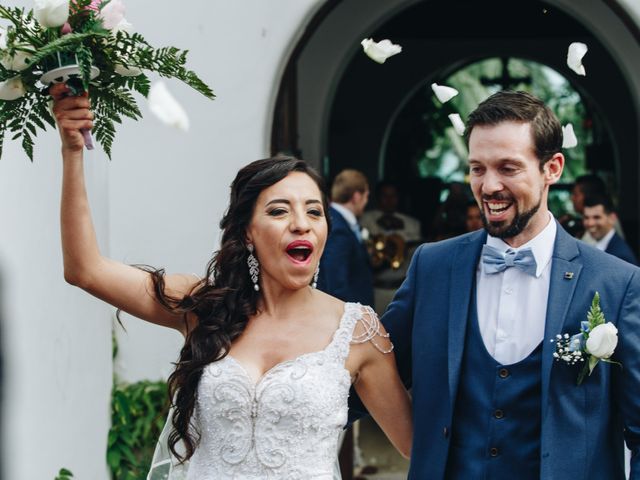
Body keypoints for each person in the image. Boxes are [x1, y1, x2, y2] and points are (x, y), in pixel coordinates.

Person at [50, 83, 412, 479]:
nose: (301, 224)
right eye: (279, 211)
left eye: (314, 212)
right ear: (246, 233)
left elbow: (417, 446)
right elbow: (85, 269)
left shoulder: (357, 331)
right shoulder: (205, 307)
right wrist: (72, 153)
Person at [352, 91, 640, 479]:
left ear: (552, 168)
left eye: (508, 168)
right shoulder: (432, 267)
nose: (488, 186)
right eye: (477, 168)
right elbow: (374, 369)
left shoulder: (617, 282)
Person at [360, 181, 422, 314]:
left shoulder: (412, 224)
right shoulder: (365, 220)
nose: (389, 200)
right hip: (374, 289)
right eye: (385, 196)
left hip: (401, 288)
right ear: (377, 198)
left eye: (393, 196)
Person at [317, 169, 374, 307]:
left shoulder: (338, 220)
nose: (366, 201)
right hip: (346, 312)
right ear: (356, 197)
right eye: (366, 196)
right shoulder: (338, 228)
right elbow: (336, 283)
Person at [583, 194, 638, 265]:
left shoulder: (620, 257)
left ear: (612, 218)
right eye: (586, 217)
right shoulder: (600, 245)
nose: (590, 223)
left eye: (597, 217)